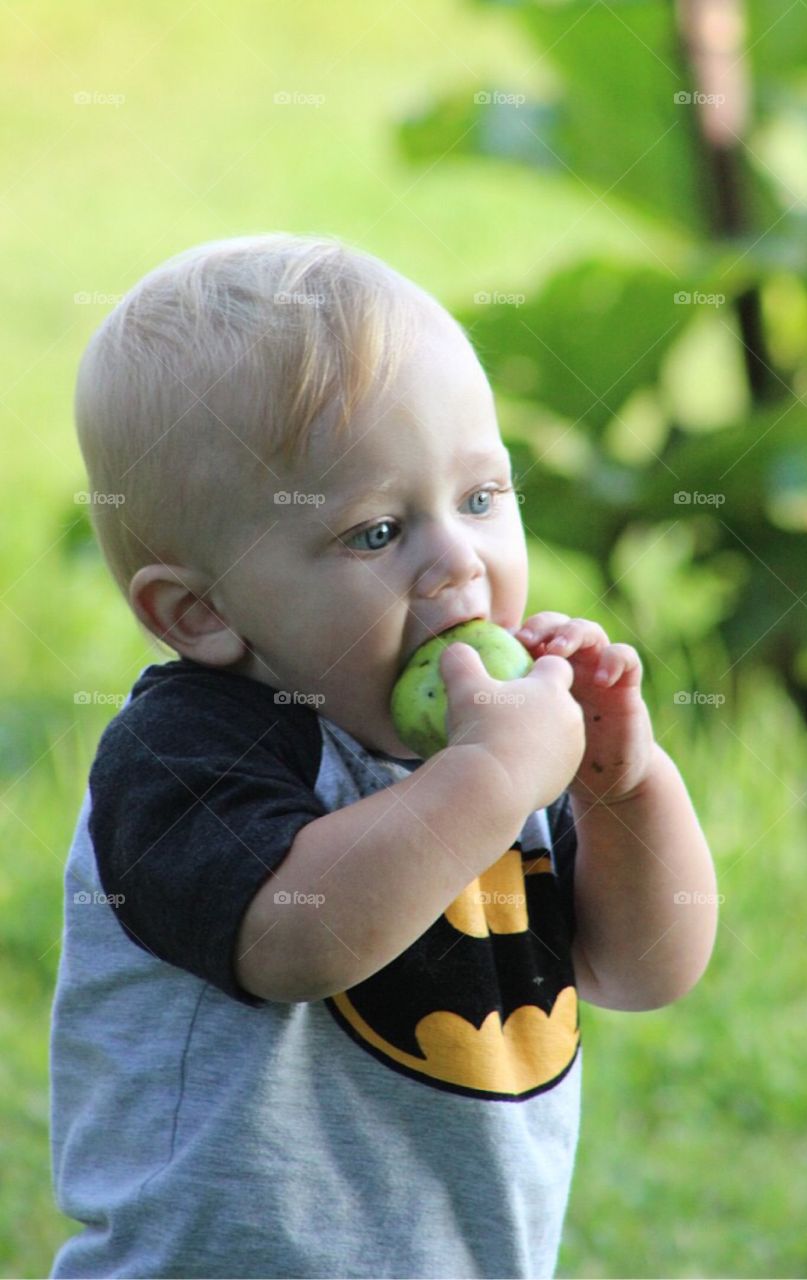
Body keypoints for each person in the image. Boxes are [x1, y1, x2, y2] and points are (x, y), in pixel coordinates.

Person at [49, 232, 718, 1279]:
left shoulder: (489, 730)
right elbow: (295, 942)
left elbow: (641, 966)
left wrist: (622, 784)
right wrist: (493, 779)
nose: (458, 558)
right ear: (201, 610)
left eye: (483, 497)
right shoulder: (184, 755)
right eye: (375, 532)